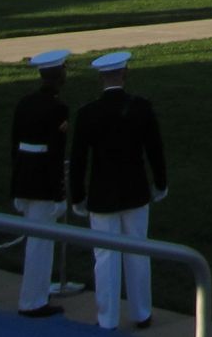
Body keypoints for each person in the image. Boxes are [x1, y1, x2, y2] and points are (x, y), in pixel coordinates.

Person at [69, 52, 168, 331]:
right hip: (135, 190)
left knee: (105, 257)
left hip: (102, 193)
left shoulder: (88, 113)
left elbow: (78, 161)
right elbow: (154, 150)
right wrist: (160, 183)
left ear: (101, 77)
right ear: (124, 73)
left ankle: (107, 318)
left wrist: (77, 196)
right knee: (138, 250)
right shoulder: (141, 107)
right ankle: (141, 313)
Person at [11, 49, 72, 319]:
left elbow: (15, 146)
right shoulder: (58, 108)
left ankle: (34, 295)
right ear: (59, 76)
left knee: (36, 243)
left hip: (24, 177)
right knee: (41, 245)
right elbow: (55, 153)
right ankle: (33, 301)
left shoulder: (24, 103)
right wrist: (59, 192)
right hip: (43, 183)